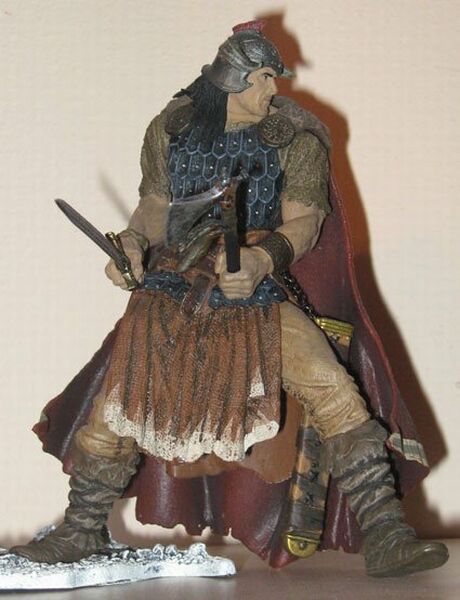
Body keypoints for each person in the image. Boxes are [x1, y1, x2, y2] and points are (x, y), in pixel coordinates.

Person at [12, 21, 448, 578]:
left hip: (255, 290)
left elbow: (306, 222)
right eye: (263, 77)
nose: (273, 89)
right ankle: (81, 529)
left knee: (332, 387)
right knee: (116, 406)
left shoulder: (295, 136)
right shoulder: (170, 128)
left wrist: (262, 260)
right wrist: (132, 246)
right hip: (174, 284)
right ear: (232, 80)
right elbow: (154, 206)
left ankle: (385, 530)